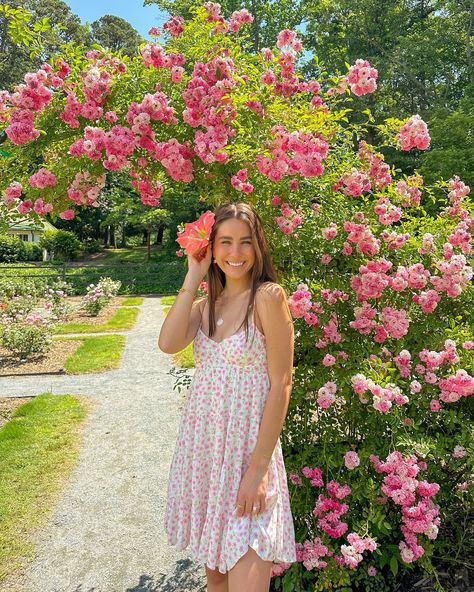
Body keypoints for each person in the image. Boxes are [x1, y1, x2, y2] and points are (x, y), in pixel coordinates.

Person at [159, 201, 296, 592]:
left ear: (258, 248)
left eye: (245, 242)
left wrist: (257, 470)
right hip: (206, 455)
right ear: (211, 247)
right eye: (225, 242)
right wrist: (193, 274)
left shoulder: (268, 298)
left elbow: (281, 383)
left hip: (247, 457)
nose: (235, 253)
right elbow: (168, 343)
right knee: (216, 580)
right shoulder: (204, 308)